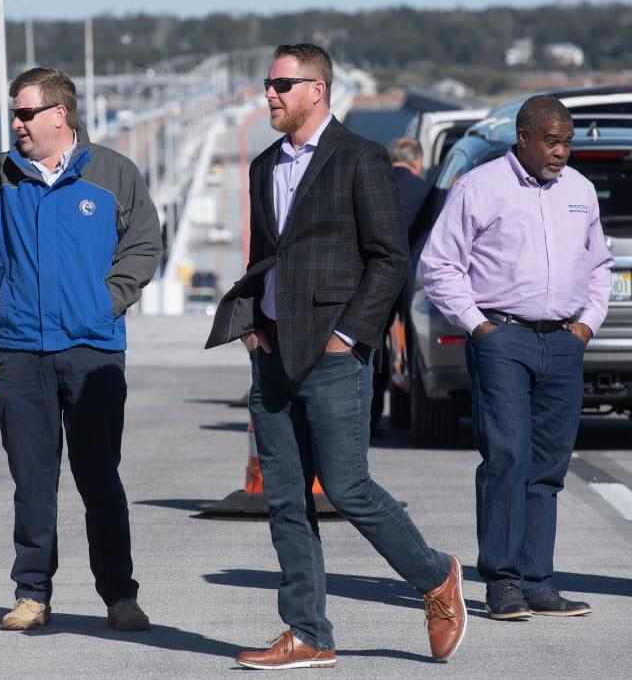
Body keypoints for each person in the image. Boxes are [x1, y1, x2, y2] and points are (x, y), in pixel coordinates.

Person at [208, 43, 466, 669]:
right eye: (267, 84)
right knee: (287, 497)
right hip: (271, 352)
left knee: (347, 487)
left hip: (333, 353)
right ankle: (308, 633)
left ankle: (435, 578)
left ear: (316, 89)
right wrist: (250, 326)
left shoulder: (361, 159)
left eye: (281, 84)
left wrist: (348, 336)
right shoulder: (264, 164)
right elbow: (264, 255)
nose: (268, 94)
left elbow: (389, 258)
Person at [0, 67, 162, 632]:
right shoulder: (2, 172)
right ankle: (32, 595)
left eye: (25, 113)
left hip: (91, 351)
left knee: (99, 477)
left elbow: (144, 243)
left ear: (60, 114)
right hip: (20, 351)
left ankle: (119, 595)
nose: (16, 124)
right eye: (14, 113)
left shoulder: (113, 174)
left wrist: (103, 303)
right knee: (32, 481)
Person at [421, 95, 612, 620]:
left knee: (549, 467)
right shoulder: (480, 186)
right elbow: (439, 265)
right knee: (507, 459)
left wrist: (584, 327)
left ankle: (538, 581)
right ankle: (502, 582)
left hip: (564, 344)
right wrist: (479, 326)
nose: (561, 152)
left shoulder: (580, 190)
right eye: (552, 141)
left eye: (568, 142)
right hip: (503, 338)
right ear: (523, 137)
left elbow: (600, 266)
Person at [370, 137, 431, 433]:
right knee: (415, 348)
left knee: (374, 348)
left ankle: (370, 418)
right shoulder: (426, 192)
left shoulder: (373, 185)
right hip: (409, 279)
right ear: (417, 162)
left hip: (373, 278)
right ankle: (413, 411)